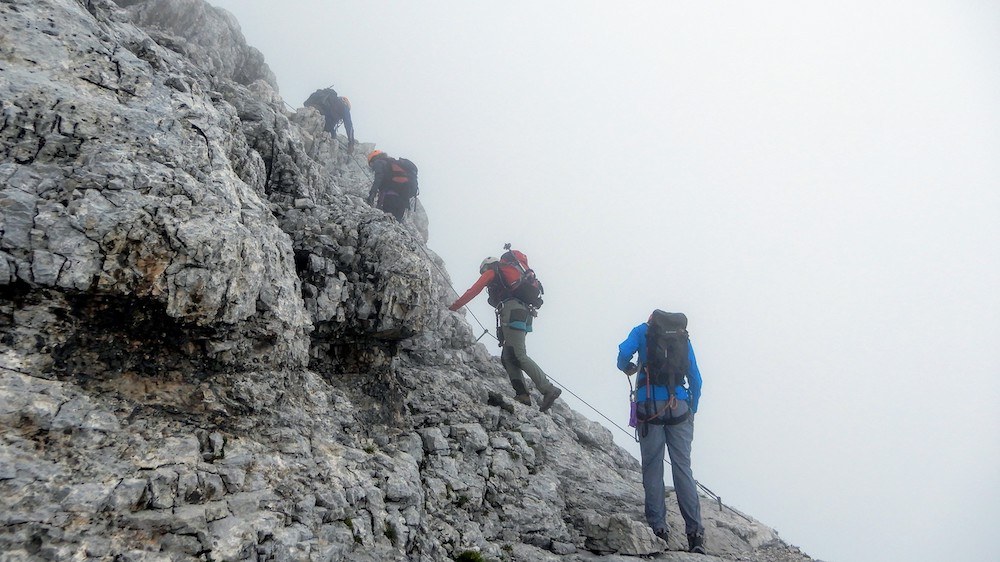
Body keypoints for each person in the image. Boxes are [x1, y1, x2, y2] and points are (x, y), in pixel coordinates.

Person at [617, 311, 705, 553]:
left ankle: (659, 529)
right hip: (681, 408)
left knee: (653, 467)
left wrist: (626, 367)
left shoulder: (642, 331)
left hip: (650, 407)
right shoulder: (681, 338)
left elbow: (624, 354)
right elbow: (696, 378)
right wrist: (692, 409)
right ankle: (695, 535)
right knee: (683, 468)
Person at [448, 254, 562, 412]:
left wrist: (454, 307)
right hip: (524, 312)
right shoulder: (515, 274)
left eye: (483, 271)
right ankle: (522, 395)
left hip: (512, 310)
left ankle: (548, 389)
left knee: (518, 354)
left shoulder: (493, 271)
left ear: (487, 266)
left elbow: (474, 290)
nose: (484, 275)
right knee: (508, 355)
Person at [366, 150, 418, 222]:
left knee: (385, 221)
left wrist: (372, 194)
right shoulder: (392, 163)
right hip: (403, 201)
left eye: (371, 164)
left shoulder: (379, 162)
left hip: (389, 197)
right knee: (396, 222)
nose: (372, 167)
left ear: (373, 159)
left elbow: (379, 178)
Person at [304, 87, 355, 152]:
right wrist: (351, 143)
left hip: (310, 112)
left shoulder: (330, 99)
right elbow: (349, 125)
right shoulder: (344, 106)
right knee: (333, 136)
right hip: (325, 120)